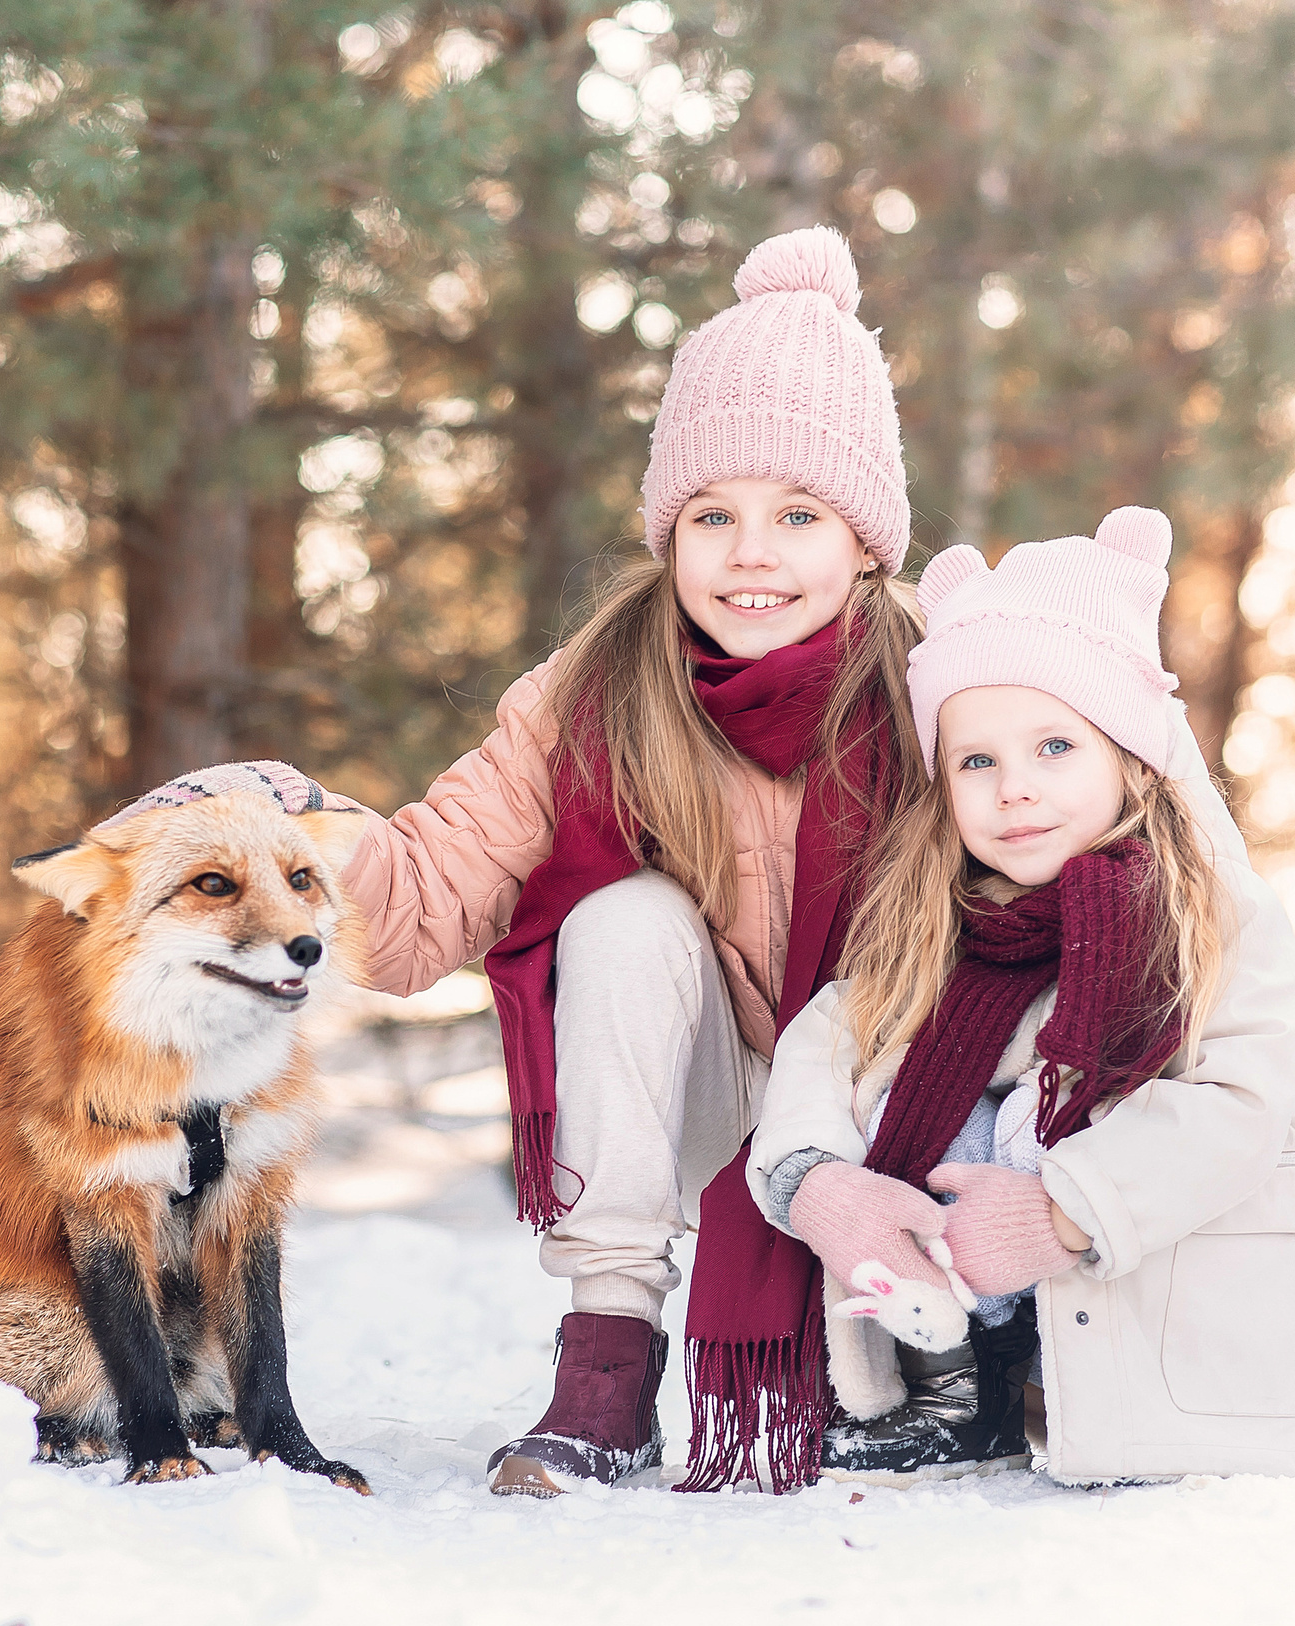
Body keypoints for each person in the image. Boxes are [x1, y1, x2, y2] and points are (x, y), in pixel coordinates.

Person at [118, 227, 927, 1494]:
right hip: (704, 1097)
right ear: (669, 533)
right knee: (624, 919)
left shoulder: (943, 689)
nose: (750, 553)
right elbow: (427, 899)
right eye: (711, 514)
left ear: (866, 537)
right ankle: (606, 1364)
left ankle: (931, 1349)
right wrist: (295, 836)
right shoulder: (592, 694)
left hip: (897, 1093)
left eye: (797, 514)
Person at [745, 511, 1295, 1487]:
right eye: (977, 761)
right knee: (916, 1096)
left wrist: (1059, 1212)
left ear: (1128, 755)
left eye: (1054, 747)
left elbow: (1239, 1109)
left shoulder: (1212, 914)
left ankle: (1058, 1378)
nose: (1013, 789)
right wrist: (815, 1180)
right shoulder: (937, 920)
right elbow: (825, 1047)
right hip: (957, 1260)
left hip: (1144, 1315)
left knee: (1070, 1114)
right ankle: (957, 1388)